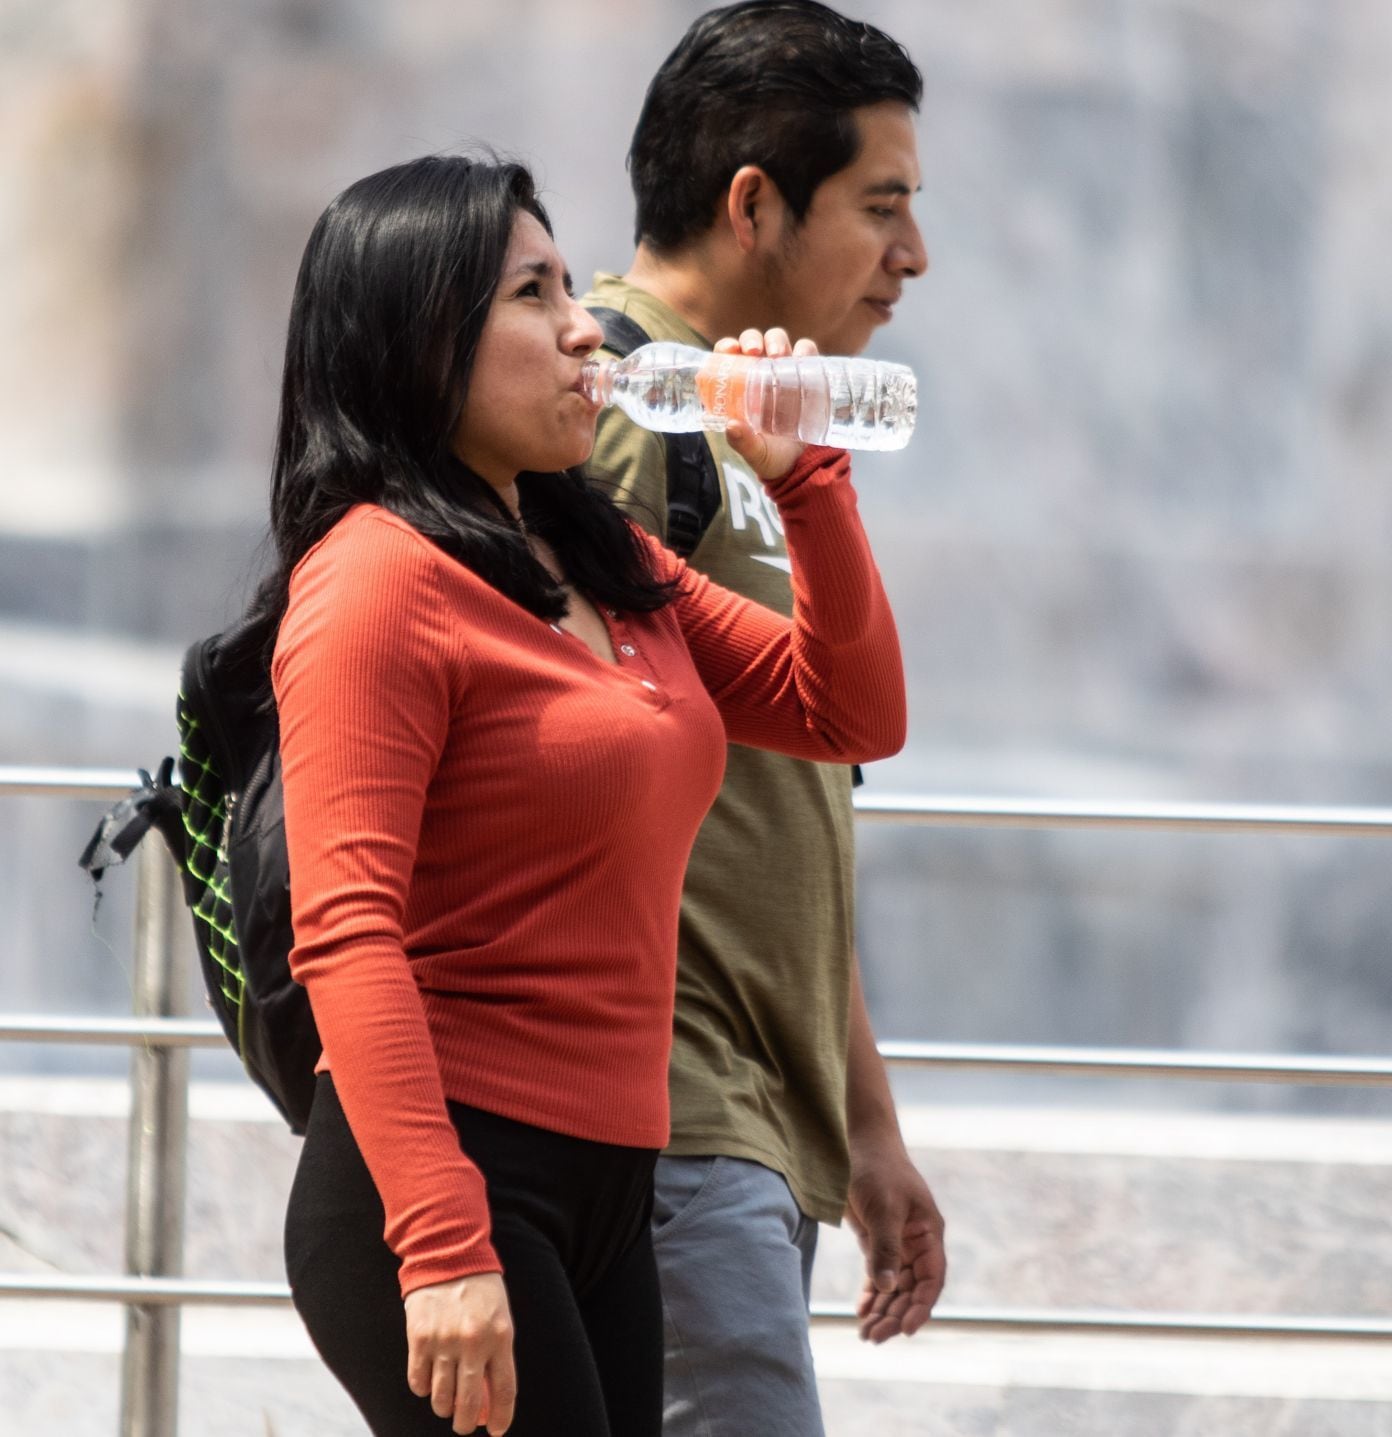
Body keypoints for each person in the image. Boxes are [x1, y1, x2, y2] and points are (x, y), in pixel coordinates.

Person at [253, 152, 905, 1437]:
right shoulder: (375, 582)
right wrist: (441, 1247)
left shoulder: (602, 558)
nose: (578, 330)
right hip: (448, 1185)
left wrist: (807, 481)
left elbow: (848, 716)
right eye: (530, 293)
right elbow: (348, 933)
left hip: (612, 1179)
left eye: (568, 283)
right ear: (417, 338)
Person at [580, 5, 941, 1430]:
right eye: (883, 205)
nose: (913, 256)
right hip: (664, 1118)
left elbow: (792, 795)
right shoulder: (617, 409)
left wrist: (865, 1120)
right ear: (753, 203)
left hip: (744, 1132)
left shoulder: (743, 430)